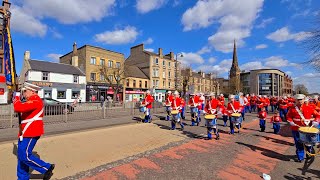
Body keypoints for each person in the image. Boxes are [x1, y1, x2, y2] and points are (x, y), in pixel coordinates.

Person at [13, 82, 55, 180]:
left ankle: (46, 167)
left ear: (32, 92)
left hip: (31, 131)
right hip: (25, 132)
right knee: (21, 157)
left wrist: (16, 97)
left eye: (25, 91)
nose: (23, 94)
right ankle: (22, 178)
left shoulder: (36, 100)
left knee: (25, 156)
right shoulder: (31, 100)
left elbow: (18, 107)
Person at [286, 94, 320, 162]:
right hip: (296, 128)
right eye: (298, 100)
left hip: (307, 129)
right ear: (295, 100)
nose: (300, 101)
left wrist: (316, 121)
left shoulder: (309, 107)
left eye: (301, 99)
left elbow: (318, 115)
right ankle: (300, 157)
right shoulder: (292, 108)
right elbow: (288, 117)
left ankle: (309, 153)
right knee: (298, 143)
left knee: (308, 143)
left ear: (304, 99)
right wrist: (290, 121)